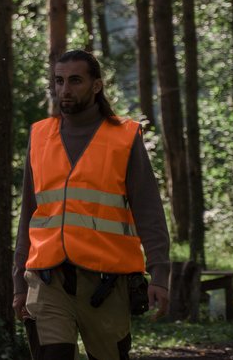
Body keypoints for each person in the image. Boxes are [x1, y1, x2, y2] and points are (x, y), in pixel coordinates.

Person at [12, 50, 171, 359]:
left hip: (106, 284)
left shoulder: (124, 137)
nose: (65, 90)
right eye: (59, 81)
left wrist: (160, 275)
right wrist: (19, 281)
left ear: (96, 85)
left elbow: (148, 210)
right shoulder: (40, 135)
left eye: (75, 81)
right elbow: (29, 213)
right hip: (47, 279)